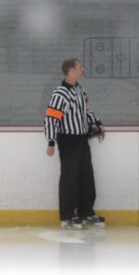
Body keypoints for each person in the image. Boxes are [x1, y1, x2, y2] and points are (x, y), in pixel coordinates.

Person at [44, 59, 105, 229]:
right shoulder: (59, 94)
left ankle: (86, 211)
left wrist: (97, 122)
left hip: (82, 139)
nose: (82, 69)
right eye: (79, 67)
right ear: (71, 71)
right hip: (68, 140)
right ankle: (67, 215)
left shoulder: (79, 89)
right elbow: (51, 119)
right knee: (69, 178)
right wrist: (51, 142)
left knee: (86, 176)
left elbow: (86, 111)